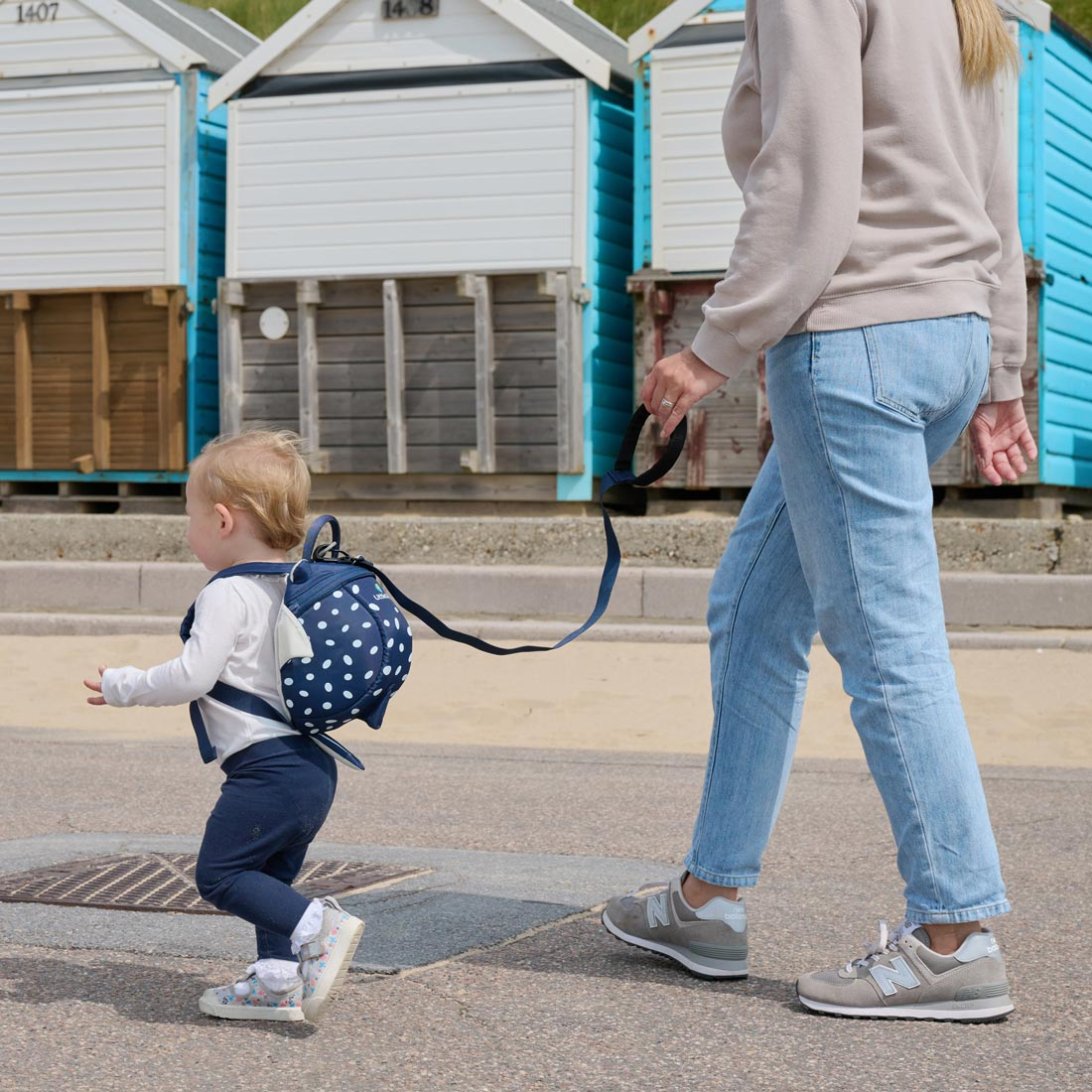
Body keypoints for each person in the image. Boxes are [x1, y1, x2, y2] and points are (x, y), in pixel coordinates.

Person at [601, 0, 1036, 1021]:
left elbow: (809, 174)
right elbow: (997, 191)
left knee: (888, 646)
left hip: (857, 340)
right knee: (754, 610)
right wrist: (1002, 369)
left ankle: (956, 933)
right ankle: (708, 900)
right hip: (945, 332)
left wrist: (715, 345)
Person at [83, 431, 364, 1024]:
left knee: (222, 875)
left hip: (267, 770)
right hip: (309, 767)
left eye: (188, 516)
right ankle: (277, 980)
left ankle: (321, 926)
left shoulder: (228, 593)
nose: (187, 531)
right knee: (268, 880)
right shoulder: (290, 585)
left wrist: (123, 685)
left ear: (220, 520)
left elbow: (192, 676)